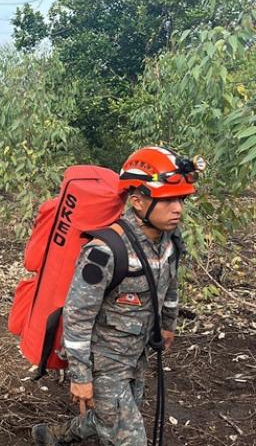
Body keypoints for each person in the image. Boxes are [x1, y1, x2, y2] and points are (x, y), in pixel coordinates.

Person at [32, 147, 203, 446]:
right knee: (129, 438)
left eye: (181, 199)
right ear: (137, 201)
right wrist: (81, 376)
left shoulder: (169, 243)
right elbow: (77, 316)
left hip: (137, 355)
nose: (178, 209)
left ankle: (54, 435)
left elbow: (170, 286)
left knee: (110, 419)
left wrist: (168, 324)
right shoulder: (104, 251)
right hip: (105, 362)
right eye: (168, 200)